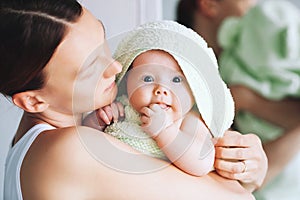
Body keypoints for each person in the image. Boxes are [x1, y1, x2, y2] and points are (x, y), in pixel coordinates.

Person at [0, 0, 266, 199]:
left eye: (102, 40)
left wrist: (244, 167)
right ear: (34, 102)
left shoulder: (47, 138)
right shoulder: (67, 151)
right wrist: (250, 178)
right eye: (90, 67)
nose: (115, 66)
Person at [177, 0, 300, 199]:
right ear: (209, 4)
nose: (254, 3)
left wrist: (249, 100)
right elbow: (246, 178)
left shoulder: (265, 48)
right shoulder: (184, 87)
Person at [84, 20, 235, 177]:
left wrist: (166, 132)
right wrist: (98, 120)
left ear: (194, 88)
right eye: (148, 79)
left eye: (176, 80)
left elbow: (202, 162)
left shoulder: (189, 120)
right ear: (127, 82)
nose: (161, 90)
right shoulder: (121, 108)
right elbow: (83, 140)